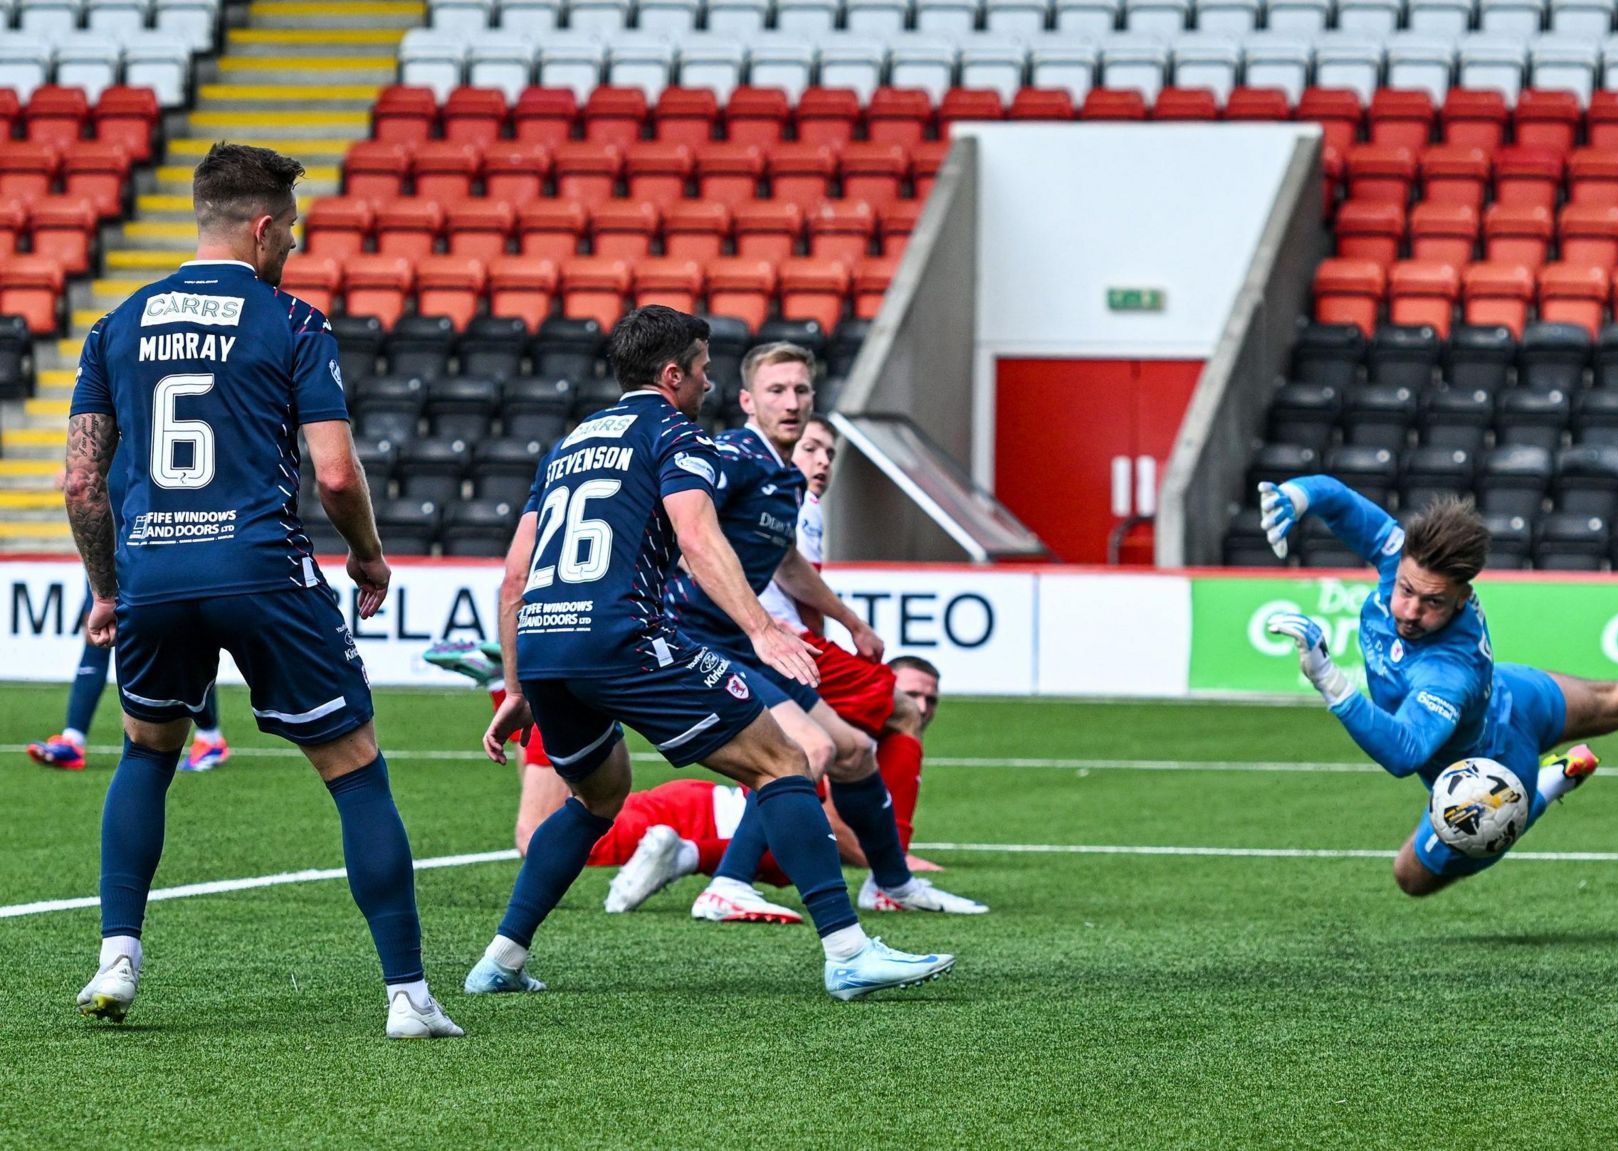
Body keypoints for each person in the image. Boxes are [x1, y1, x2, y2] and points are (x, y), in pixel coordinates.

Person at [64, 143, 460, 1038]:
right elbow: (332, 471)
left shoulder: (114, 325)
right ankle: (408, 996)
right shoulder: (292, 321)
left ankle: (117, 958)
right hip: (259, 566)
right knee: (357, 774)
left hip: (154, 570)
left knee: (145, 755)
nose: (293, 247)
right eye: (291, 230)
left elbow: (84, 484)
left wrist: (108, 587)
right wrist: (366, 555)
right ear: (262, 225)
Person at [467, 306, 954, 1001]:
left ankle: (501, 959)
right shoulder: (675, 432)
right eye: (701, 368)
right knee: (783, 759)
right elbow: (698, 536)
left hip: (546, 640)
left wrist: (516, 685)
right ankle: (847, 953)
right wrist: (761, 628)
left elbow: (515, 574)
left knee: (596, 796)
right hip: (622, 635)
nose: (707, 382)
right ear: (673, 374)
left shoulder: (569, 443)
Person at [1257, 477, 1618, 897]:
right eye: (1406, 589)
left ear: (1462, 597)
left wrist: (1329, 680)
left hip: (1488, 770)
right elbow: (1337, 499)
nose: (1409, 610)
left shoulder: (1446, 671)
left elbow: (1404, 752)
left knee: (1408, 877)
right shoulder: (1399, 557)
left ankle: (1544, 785)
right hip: (1515, 695)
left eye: (1432, 602)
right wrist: (1295, 497)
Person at [667, 343, 984, 923]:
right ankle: (727, 885)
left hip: (746, 642)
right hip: (697, 641)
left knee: (855, 751)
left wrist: (851, 621)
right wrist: (736, 609)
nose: (791, 403)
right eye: (776, 391)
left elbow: (785, 562)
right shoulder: (733, 455)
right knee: (806, 749)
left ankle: (891, 883)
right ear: (747, 401)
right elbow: (683, 528)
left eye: (801, 391)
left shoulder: (787, 478)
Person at [601, 652, 949, 915]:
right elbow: (833, 825)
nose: (920, 708)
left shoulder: (868, 746)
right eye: (909, 695)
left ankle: (690, 856)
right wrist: (887, 857)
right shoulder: (845, 734)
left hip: (709, 819)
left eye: (930, 699)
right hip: (697, 812)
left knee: (798, 857)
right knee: (558, 830)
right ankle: (712, 870)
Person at [28, 630, 231, 772]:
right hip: (107, 569)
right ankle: (73, 741)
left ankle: (210, 738)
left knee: (179, 632)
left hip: (149, 570)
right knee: (95, 628)